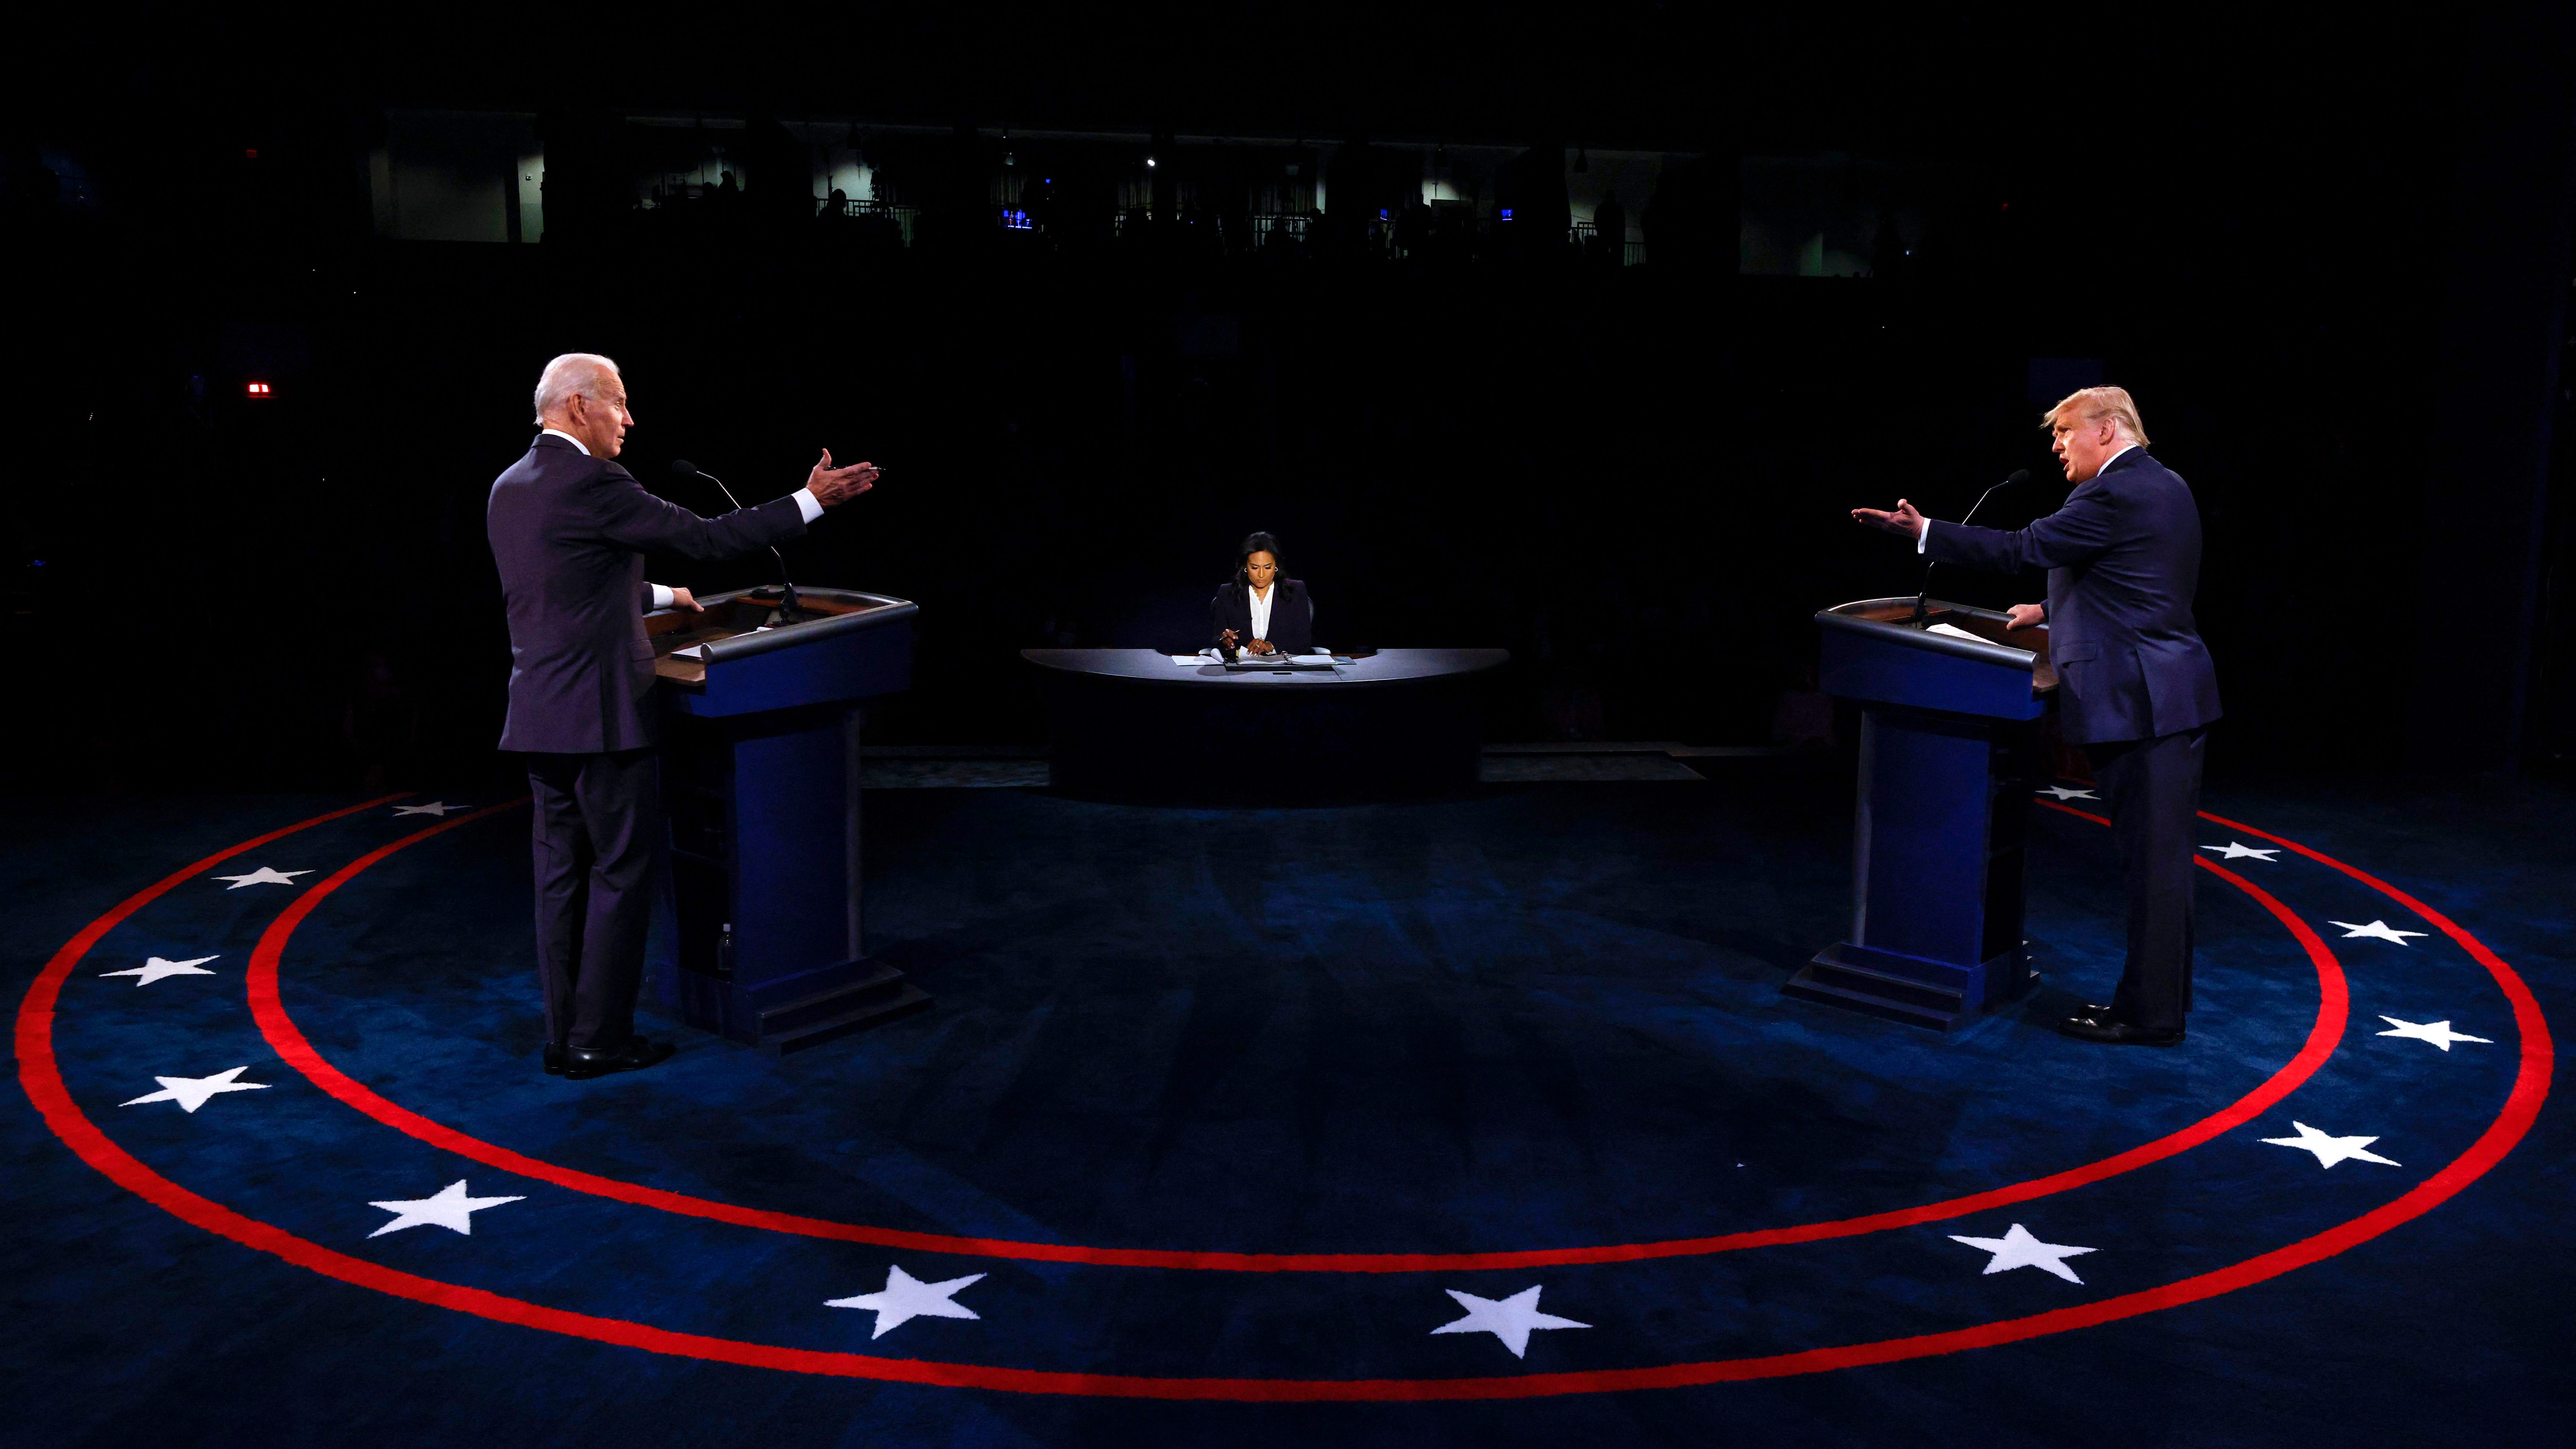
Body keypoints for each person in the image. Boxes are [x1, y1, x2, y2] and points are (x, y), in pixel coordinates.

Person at [487, 353, 880, 1079]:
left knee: (558, 879)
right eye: (620, 404)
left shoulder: (511, 486)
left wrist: (667, 597)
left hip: (540, 715)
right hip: (603, 718)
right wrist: (811, 500)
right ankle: (599, 1040)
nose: (629, 420)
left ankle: (563, 1032)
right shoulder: (597, 481)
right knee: (618, 872)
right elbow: (707, 535)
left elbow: (565, 591)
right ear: (578, 407)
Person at [1851, 386, 2220, 1047]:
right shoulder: (2165, 485)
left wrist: (1926, 532)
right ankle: (2157, 1003)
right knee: (2158, 867)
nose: (2056, 444)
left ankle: (2148, 1015)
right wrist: (2050, 611)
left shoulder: (2110, 493)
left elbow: (2024, 547)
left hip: (2143, 703)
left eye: (2065, 431)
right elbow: (2140, 581)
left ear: (2107, 430)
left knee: (2154, 870)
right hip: (2166, 695)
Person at [1209, 531, 1313, 656]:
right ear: (1246, 567)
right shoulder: (1227, 594)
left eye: (1268, 567)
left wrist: (1271, 646)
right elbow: (1216, 640)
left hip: (1284, 668)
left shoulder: (1296, 591)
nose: (1261, 575)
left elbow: (1304, 642)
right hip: (1241, 671)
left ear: (1276, 566)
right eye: (1255, 568)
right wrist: (1225, 640)